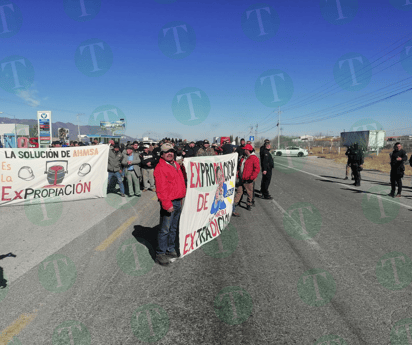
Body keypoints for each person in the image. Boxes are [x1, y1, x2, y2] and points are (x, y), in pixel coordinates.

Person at [154, 143, 187, 265]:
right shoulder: (160, 168)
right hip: (169, 202)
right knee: (165, 229)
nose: (170, 153)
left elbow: (179, 181)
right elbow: (161, 189)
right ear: (162, 154)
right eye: (167, 152)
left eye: (172, 151)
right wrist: (167, 204)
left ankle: (170, 248)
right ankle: (160, 253)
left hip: (178, 200)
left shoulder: (176, 164)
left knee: (174, 228)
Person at [233, 144, 260, 216]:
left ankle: (249, 204)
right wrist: (238, 173)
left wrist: (251, 177)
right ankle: (234, 204)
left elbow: (257, 169)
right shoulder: (244, 157)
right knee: (239, 191)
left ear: (248, 150)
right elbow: (240, 166)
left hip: (248, 179)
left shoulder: (254, 158)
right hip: (242, 178)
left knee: (249, 193)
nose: (244, 150)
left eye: (245, 149)